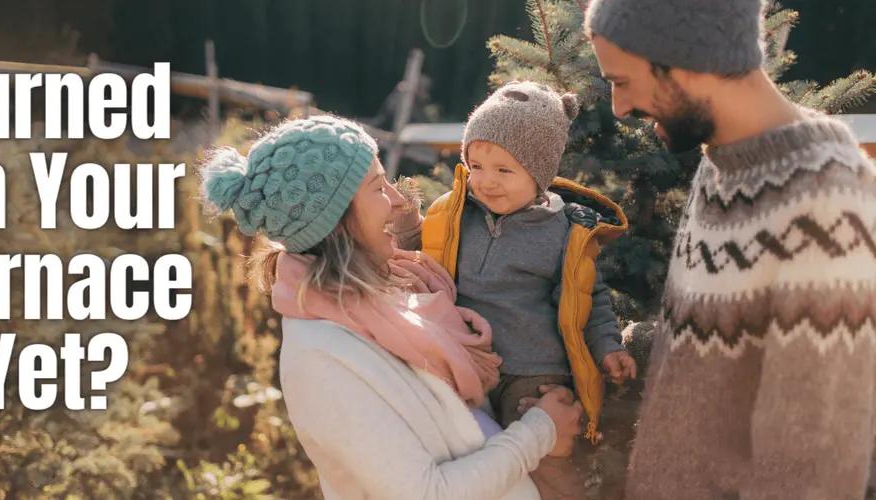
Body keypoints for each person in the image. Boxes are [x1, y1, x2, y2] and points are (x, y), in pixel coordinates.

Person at [200, 114, 584, 499]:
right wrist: (539, 433)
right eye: (377, 187)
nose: (398, 200)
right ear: (336, 222)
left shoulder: (386, 302)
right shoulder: (320, 361)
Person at [583, 0, 876, 498]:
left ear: (688, 66)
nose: (619, 107)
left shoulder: (826, 199)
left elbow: (809, 470)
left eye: (622, 81)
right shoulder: (723, 162)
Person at [393, 81, 637, 499]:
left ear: (539, 174)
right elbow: (417, 258)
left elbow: (588, 300)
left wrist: (608, 347)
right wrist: (404, 224)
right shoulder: (455, 214)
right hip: (466, 361)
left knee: (546, 462)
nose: (486, 182)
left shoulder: (564, 233)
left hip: (533, 372)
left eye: (504, 170)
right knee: (472, 459)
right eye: (476, 167)